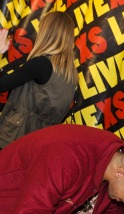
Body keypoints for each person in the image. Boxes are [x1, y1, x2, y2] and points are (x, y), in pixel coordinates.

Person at [0, 11, 78, 149]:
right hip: (41, 144)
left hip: (14, 138)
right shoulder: (71, 75)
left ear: (45, 33)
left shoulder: (40, 64)